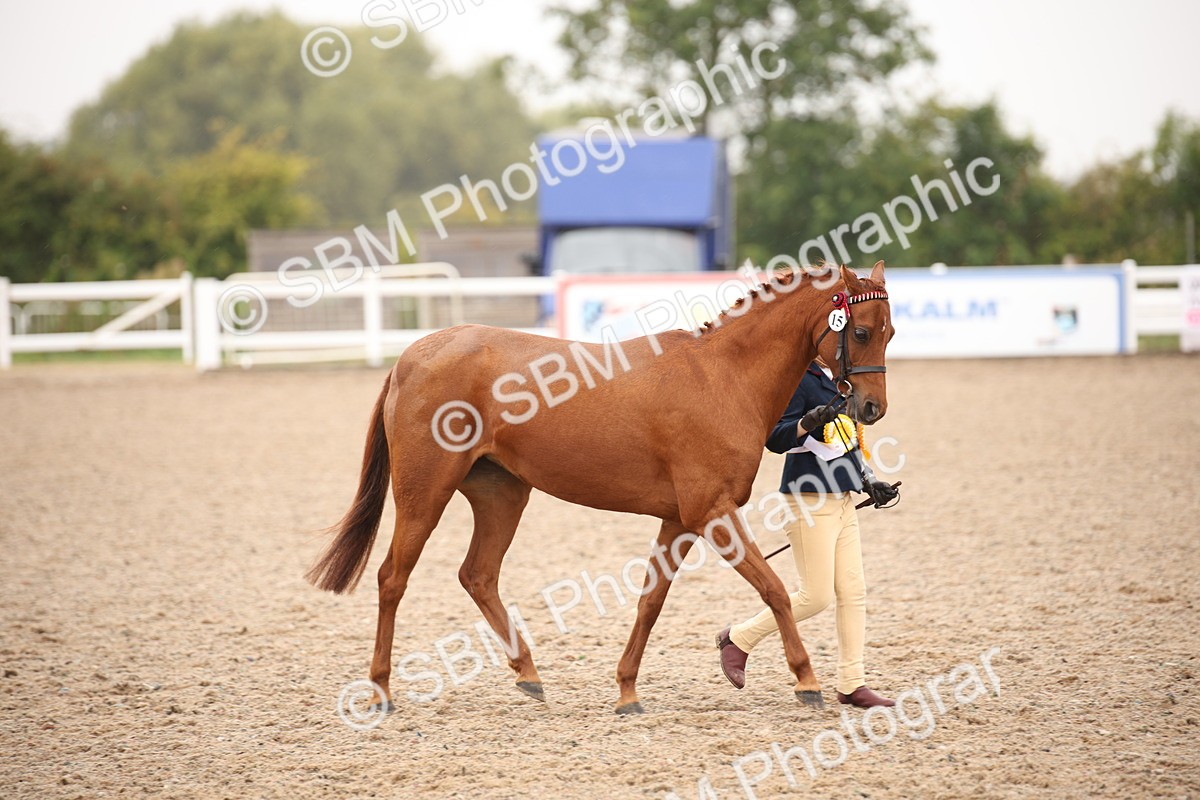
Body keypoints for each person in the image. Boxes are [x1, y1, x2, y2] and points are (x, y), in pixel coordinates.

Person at [716, 357, 899, 708]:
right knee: (815, 596)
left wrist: (870, 481)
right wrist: (807, 422)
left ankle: (852, 683)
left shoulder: (843, 381)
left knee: (853, 592)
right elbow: (775, 437)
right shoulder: (798, 378)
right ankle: (738, 639)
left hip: (843, 499)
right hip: (808, 499)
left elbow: (848, 441)